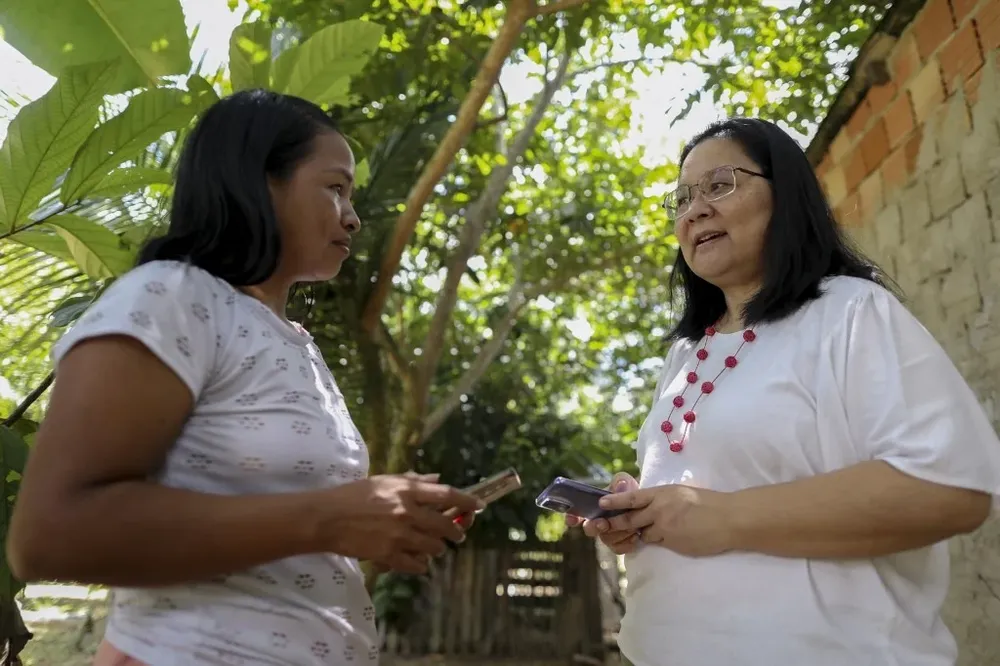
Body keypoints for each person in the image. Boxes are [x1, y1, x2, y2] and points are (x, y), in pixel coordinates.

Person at [6, 90, 484, 666]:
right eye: (335, 188)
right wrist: (331, 517)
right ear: (257, 182)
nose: (352, 217)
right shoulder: (172, 296)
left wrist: (375, 520)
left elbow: (279, 527)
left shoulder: (295, 343)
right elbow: (50, 534)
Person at [573, 118, 1000, 666]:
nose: (695, 210)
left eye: (719, 185)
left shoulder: (848, 311)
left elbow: (948, 489)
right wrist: (641, 514)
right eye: (682, 199)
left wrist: (724, 517)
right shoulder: (686, 354)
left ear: (787, 195)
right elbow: (701, 498)